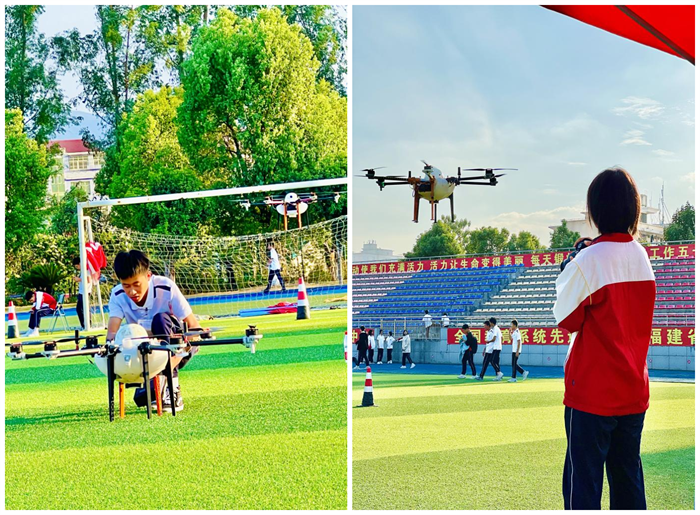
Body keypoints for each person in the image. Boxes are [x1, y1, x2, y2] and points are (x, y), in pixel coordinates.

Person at [554, 168, 655, 510]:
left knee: (583, 487)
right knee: (628, 481)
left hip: (591, 394)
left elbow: (566, 319)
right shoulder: (641, 256)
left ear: (595, 210)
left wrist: (571, 264)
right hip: (632, 389)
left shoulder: (589, 259)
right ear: (633, 209)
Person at [106, 250, 204, 412]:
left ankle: (172, 388)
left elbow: (193, 326)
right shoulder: (117, 295)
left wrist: (187, 345)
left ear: (148, 275)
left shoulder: (166, 287)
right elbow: (112, 333)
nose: (132, 292)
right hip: (146, 351)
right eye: (126, 286)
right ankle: (153, 385)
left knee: (160, 319)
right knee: (126, 332)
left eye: (136, 284)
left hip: (176, 346)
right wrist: (110, 351)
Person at [72, 256, 93, 331]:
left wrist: (79, 279)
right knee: (79, 309)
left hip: (86, 292)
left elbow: (88, 280)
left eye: (77, 266)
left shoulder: (86, 270)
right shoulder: (83, 271)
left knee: (85, 309)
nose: (77, 268)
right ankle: (84, 324)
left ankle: (88, 324)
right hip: (82, 292)